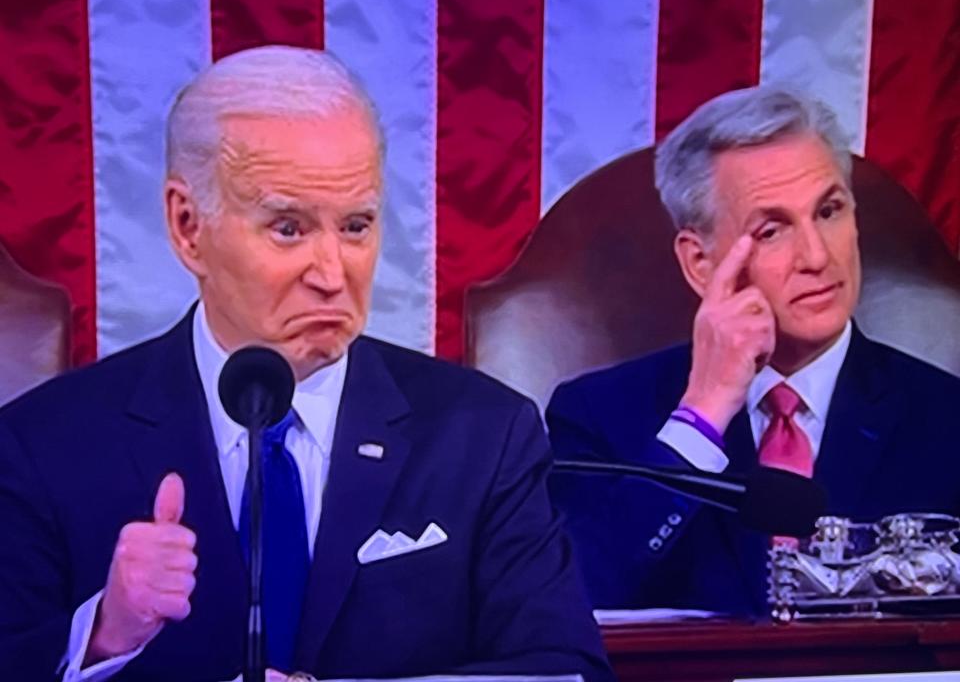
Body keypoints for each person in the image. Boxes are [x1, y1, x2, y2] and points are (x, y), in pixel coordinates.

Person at [0, 46, 613, 682]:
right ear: (188, 227)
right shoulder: (44, 447)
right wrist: (103, 636)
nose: (331, 274)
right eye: (288, 228)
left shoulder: (483, 435)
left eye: (356, 226)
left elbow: (567, 671)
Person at [546, 86, 960, 616]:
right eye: (772, 230)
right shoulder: (598, 418)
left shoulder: (948, 420)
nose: (816, 255)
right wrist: (703, 414)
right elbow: (573, 600)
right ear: (700, 263)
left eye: (829, 211)